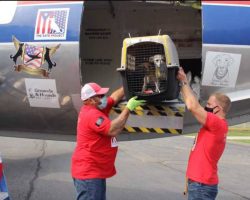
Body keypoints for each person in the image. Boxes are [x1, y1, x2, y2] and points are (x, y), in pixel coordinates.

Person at [71, 82, 145, 200]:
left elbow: (114, 97)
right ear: (91, 99)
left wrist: (129, 85)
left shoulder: (97, 106)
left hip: (93, 171)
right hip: (89, 172)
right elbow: (113, 129)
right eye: (100, 96)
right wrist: (128, 108)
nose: (103, 97)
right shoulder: (92, 114)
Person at [177, 67, 231, 200]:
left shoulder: (216, 124)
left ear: (217, 109)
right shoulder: (217, 126)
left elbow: (192, 106)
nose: (205, 107)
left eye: (208, 104)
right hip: (199, 184)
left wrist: (184, 81)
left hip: (201, 185)